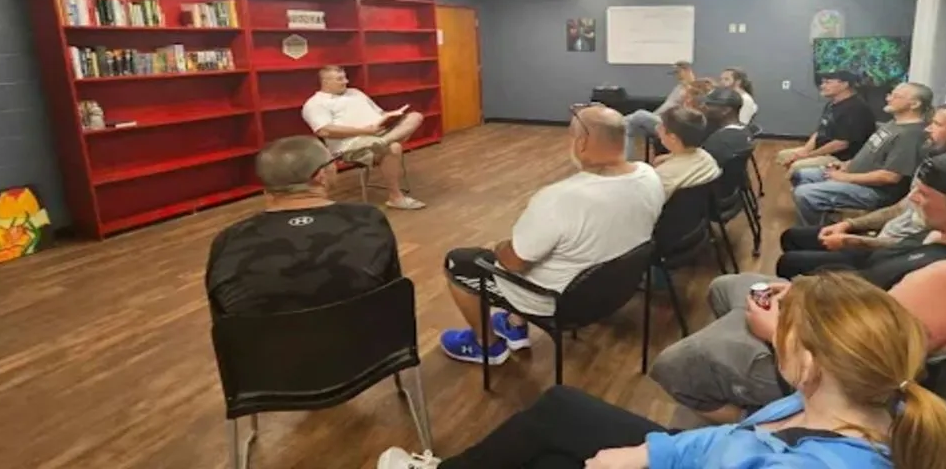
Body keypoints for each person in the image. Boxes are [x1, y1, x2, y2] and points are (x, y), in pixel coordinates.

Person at [377, 272, 946, 469]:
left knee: (552, 455)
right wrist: (654, 452)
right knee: (561, 409)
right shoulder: (854, 402)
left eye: (784, 328)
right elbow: (735, 439)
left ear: (809, 362)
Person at [651, 152, 946, 422]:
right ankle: (734, 357)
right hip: (838, 320)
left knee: (675, 363)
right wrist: (805, 293)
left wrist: (775, 332)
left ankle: (777, 425)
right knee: (728, 286)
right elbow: (876, 295)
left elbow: (862, 365)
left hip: (836, 377)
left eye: (924, 195)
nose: (913, 199)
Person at [439, 104, 664, 365]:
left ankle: (487, 346)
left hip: (559, 302)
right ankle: (514, 325)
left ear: (581, 143)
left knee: (460, 262)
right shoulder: (649, 175)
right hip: (616, 290)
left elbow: (513, 263)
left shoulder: (559, 198)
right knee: (551, 253)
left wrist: (500, 247)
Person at [777, 101, 946, 278]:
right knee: (792, 236)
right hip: (881, 238)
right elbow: (900, 208)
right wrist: (849, 225)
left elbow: (920, 246)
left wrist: (854, 241)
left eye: (937, 124)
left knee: (789, 262)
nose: (928, 129)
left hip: (889, 257)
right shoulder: (932, 163)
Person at [205, 136, 399, 315]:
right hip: (362, 338)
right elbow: (394, 297)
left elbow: (222, 318)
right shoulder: (368, 219)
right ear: (321, 175)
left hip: (263, 342)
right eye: (332, 161)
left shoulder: (228, 239)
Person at [790, 82, 933, 224]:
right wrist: (846, 165)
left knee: (805, 194)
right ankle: (824, 220)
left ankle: (817, 232)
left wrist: (845, 178)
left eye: (896, 96)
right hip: (854, 176)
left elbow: (890, 177)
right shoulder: (893, 124)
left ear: (914, 104)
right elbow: (870, 154)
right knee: (800, 175)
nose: (888, 98)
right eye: (890, 94)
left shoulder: (911, 135)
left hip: (875, 192)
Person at [302, 65, 427, 210]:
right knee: (394, 147)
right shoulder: (315, 103)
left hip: (379, 133)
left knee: (415, 116)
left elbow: (379, 113)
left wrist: (392, 115)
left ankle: (383, 142)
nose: (346, 81)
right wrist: (364, 131)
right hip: (351, 143)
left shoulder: (355, 92)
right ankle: (395, 197)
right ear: (325, 82)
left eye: (345, 77)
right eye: (340, 79)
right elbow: (324, 131)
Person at [775, 71, 876, 174]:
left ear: (844, 84)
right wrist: (805, 150)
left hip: (841, 158)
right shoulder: (832, 104)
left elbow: (841, 144)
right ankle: (800, 180)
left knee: (797, 165)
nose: (822, 86)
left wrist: (809, 155)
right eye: (823, 82)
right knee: (783, 155)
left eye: (828, 82)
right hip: (823, 151)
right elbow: (820, 131)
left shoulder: (856, 108)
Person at [622, 60, 694, 160]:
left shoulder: (691, 89)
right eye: (675, 73)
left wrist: (689, 84)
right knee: (632, 125)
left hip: (672, 123)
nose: (677, 76)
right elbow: (666, 106)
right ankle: (631, 159)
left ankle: (618, 122)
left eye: (678, 72)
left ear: (686, 71)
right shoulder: (678, 88)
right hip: (660, 118)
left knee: (640, 115)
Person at [652, 106, 720, 199]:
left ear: (673, 138)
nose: (657, 128)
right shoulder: (708, 158)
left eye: (661, 126)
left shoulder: (663, 176)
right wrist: (671, 157)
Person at [699, 87, 753, 167]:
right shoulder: (744, 130)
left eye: (709, 105)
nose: (703, 107)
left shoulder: (718, 141)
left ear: (726, 110)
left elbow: (699, 165)